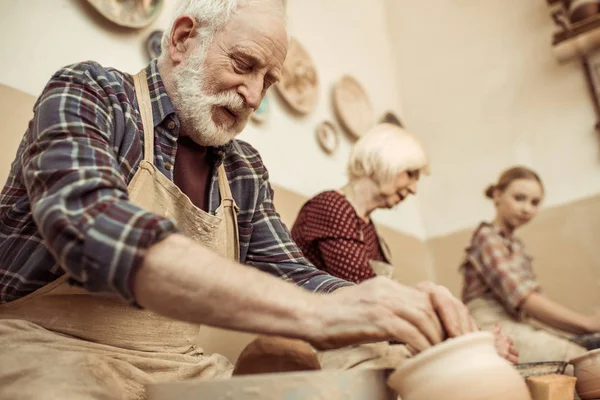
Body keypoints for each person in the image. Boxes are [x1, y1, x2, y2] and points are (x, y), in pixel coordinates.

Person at [0, 1, 476, 398]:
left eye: (268, 81)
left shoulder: (243, 167)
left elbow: (296, 276)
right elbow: (93, 230)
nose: (253, 96)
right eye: (244, 65)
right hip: (45, 348)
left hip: (181, 367)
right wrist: (320, 315)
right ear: (183, 38)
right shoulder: (92, 92)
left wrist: (399, 308)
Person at [291, 124, 518, 364]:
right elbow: (369, 296)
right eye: (410, 174)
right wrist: (464, 339)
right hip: (319, 343)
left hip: (357, 335)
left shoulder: (366, 225)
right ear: (384, 160)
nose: (413, 189)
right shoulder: (332, 206)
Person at [460, 165, 600, 363]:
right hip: (490, 326)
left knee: (585, 345)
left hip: (517, 322)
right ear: (498, 195)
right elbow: (524, 298)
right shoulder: (486, 237)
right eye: (519, 198)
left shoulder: (517, 246)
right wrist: (587, 324)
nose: (527, 208)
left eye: (535, 202)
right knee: (577, 360)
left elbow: (535, 303)